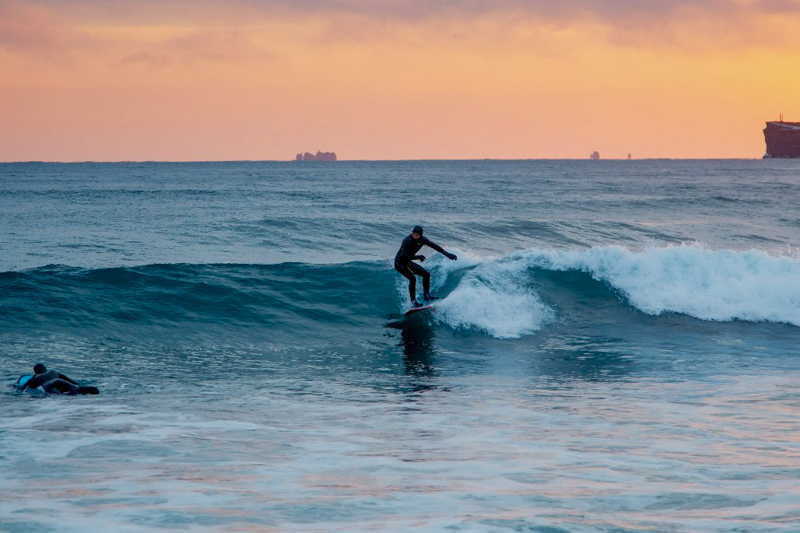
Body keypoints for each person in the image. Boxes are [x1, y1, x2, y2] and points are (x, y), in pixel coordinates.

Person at [394, 225, 457, 307]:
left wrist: (447, 254)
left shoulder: (423, 239)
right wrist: (418, 257)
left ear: (420, 235)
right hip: (399, 263)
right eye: (414, 234)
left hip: (408, 262)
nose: (415, 236)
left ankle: (427, 296)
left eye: (417, 234)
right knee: (412, 278)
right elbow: (404, 255)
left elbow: (434, 246)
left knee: (426, 275)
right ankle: (413, 303)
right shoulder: (407, 240)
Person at [18, 363, 99, 395]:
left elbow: (23, 389)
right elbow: (70, 381)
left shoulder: (34, 378)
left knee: (58, 395)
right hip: (58, 381)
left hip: (48, 385)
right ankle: (86, 390)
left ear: (35, 372)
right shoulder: (53, 372)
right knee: (77, 388)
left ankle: (69, 394)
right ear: (45, 368)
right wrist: (76, 385)